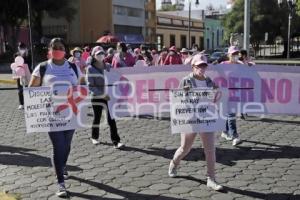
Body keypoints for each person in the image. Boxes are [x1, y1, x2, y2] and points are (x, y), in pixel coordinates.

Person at [28, 38, 84, 197]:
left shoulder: (73, 66)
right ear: (50, 49)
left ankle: (63, 165)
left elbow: (81, 85)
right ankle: (61, 183)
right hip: (52, 115)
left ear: (65, 50)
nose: (58, 50)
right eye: (55, 47)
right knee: (58, 146)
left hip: (71, 113)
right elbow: (32, 89)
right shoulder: (43, 67)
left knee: (66, 145)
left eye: (61, 47)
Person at [168, 54, 223, 191]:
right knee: (185, 149)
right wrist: (183, 92)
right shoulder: (186, 80)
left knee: (210, 150)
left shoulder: (209, 81)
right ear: (193, 67)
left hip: (206, 119)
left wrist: (217, 92)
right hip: (190, 120)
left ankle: (211, 178)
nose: (202, 68)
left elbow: (215, 98)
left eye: (204, 65)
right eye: (199, 65)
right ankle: (174, 163)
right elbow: (178, 100)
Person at [86, 46, 124, 149]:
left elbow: (114, 77)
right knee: (97, 118)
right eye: (98, 53)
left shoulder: (108, 66)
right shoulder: (90, 68)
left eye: (102, 53)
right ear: (93, 56)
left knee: (111, 118)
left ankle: (116, 141)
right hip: (97, 97)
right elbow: (90, 86)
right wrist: (102, 94)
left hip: (109, 96)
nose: (100, 55)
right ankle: (94, 137)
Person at [220, 46, 243, 146]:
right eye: (233, 54)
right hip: (225, 93)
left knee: (228, 114)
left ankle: (225, 132)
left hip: (236, 93)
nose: (235, 56)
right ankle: (234, 136)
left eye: (236, 54)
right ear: (228, 55)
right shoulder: (223, 65)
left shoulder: (240, 65)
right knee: (231, 114)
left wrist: (250, 64)